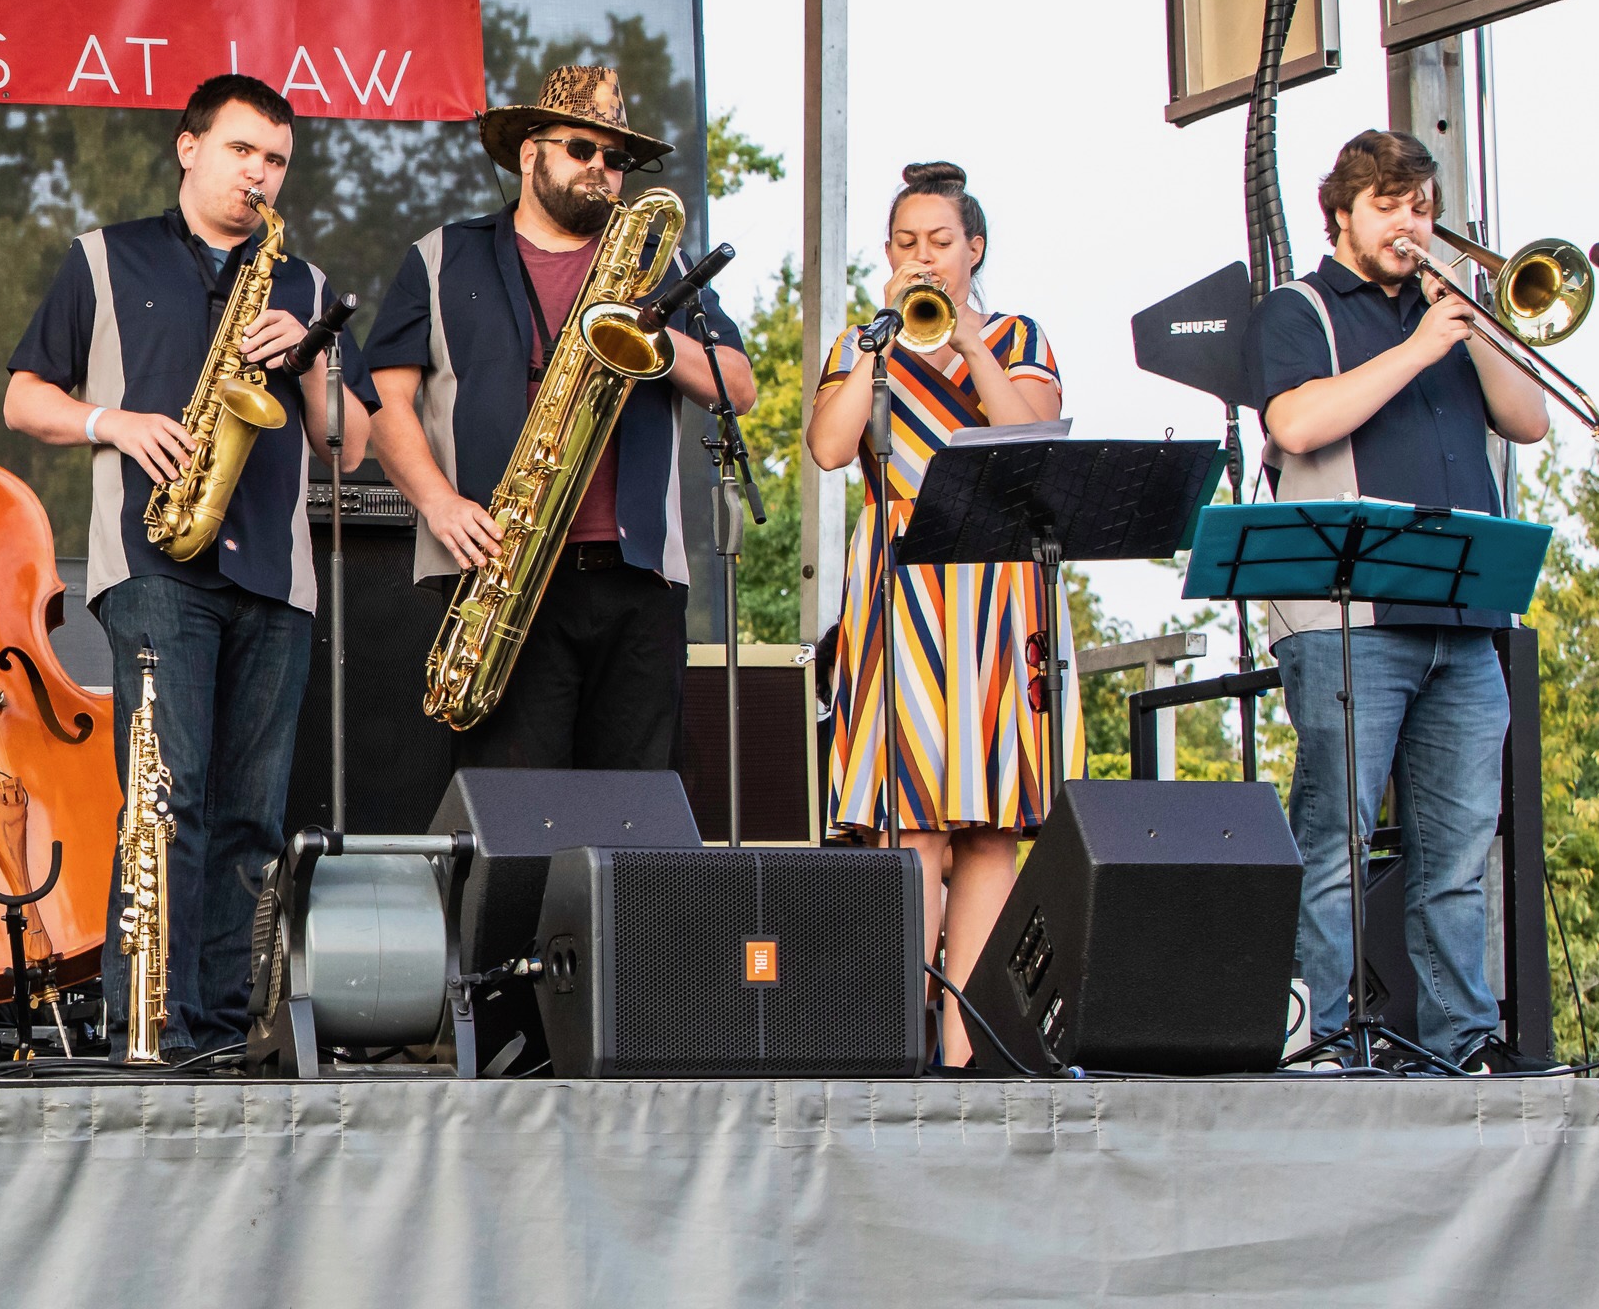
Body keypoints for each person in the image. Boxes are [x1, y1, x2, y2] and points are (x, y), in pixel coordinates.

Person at [4, 73, 374, 1058]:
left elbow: (352, 445)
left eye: (277, 160)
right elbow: (23, 399)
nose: (261, 173)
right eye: (244, 150)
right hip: (155, 560)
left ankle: (222, 1032)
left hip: (275, 579)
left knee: (251, 818)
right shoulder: (103, 256)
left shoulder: (305, 286)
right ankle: (149, 1029)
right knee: (168, 801)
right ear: (189, 147)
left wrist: (313, 357)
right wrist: (114, 422)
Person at [1255, 130, 1553, 1073]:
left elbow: (1530, 420)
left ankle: (1462, 1044)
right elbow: (1297, 421)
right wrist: (1421, 350)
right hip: (1349, 621)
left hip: (1465, 621)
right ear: (1341, 214)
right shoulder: (1298, 309)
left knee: (1458, 855)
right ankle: (1329, 1044)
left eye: (1420, 207)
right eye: (1387, 206)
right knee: (1335, 844)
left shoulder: (1448, 315)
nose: (1408, 224)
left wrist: (1474, 326)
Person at [359, 64, 754, 770]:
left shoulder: (658, 263)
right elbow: (384, 401)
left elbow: (739, 387)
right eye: (580, 148)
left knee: (633, 814)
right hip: (498, 570)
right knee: (515, 812)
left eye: (617, 159)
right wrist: (439, 503)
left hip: (637, 578)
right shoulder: (443, 255)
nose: (600, 167)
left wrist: (652, 334)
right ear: (529, 153)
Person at [802, 161, 1069, 1067]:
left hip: (996, 593)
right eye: (906, 243)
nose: (923, 257)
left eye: (941, 242)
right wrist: (879, 348)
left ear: (974, 248)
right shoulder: (859, 344)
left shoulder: (1018, 335)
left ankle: (969, 1051)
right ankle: (899, 1046)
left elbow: (1031, 436)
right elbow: (829, 448)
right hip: (901, 593)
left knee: (991, 829)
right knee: (908, 823)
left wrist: (970, 344)